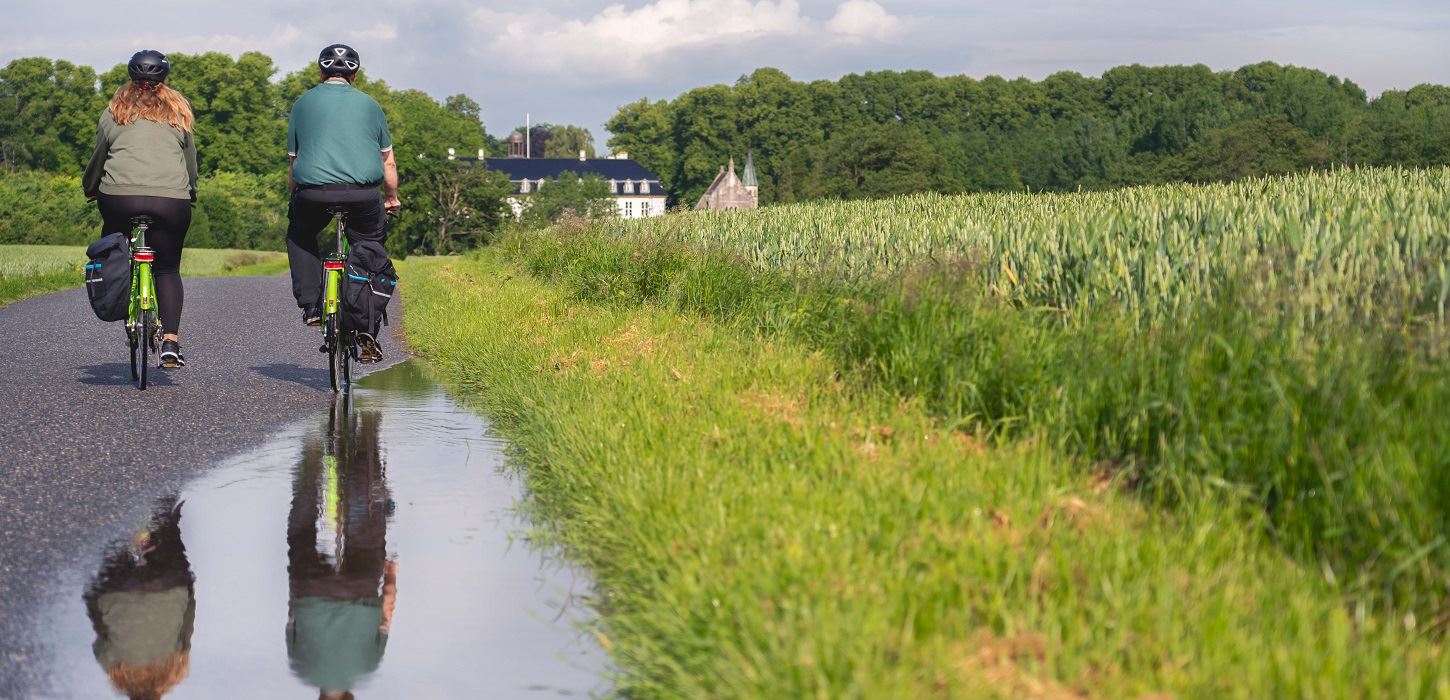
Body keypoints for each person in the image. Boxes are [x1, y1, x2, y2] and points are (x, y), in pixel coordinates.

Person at [285, 43, 401, 364]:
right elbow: (388, 164)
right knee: (369, 248)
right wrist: (391, 197)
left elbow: (294, 166)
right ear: (355, 75)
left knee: (299, 235)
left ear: (321, 73)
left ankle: (311, 305)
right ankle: (365, 326)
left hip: (314, 192)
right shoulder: (370, 105)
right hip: (362, 195)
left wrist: (296, 194)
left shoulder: (302, 104)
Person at [82, 50, 198, 369]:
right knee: (167, 268)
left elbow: (98, 159)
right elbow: (190, 164)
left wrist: (91, 188)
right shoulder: (179, 112)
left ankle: (118, 291)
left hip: (119, 198)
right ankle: (171, 342)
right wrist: (191, 193)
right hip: (171, 201)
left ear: (131, 77)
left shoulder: (114, 111)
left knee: (114, 246)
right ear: (164, 78)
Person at [286, 400, 398, 698]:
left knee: (367, 539)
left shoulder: (367, 667)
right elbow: (292, 611)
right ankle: (309, 470)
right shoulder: (301, 668)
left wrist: (391, 573)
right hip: (309, 587)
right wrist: (297, 580)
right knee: (300, 535)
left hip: (359, 586)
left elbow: (386, 611)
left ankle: (367, 447)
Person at [84, 496, 197, 700]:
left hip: (169, 582)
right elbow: (99, 629)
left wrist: (188, 584)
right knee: (113, 542)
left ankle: (163, 520)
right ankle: (118, 514)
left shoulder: (176, 671)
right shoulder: (115, 672)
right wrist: (92, 592)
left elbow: (188, 618)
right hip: (118, 588)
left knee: (167, 529)